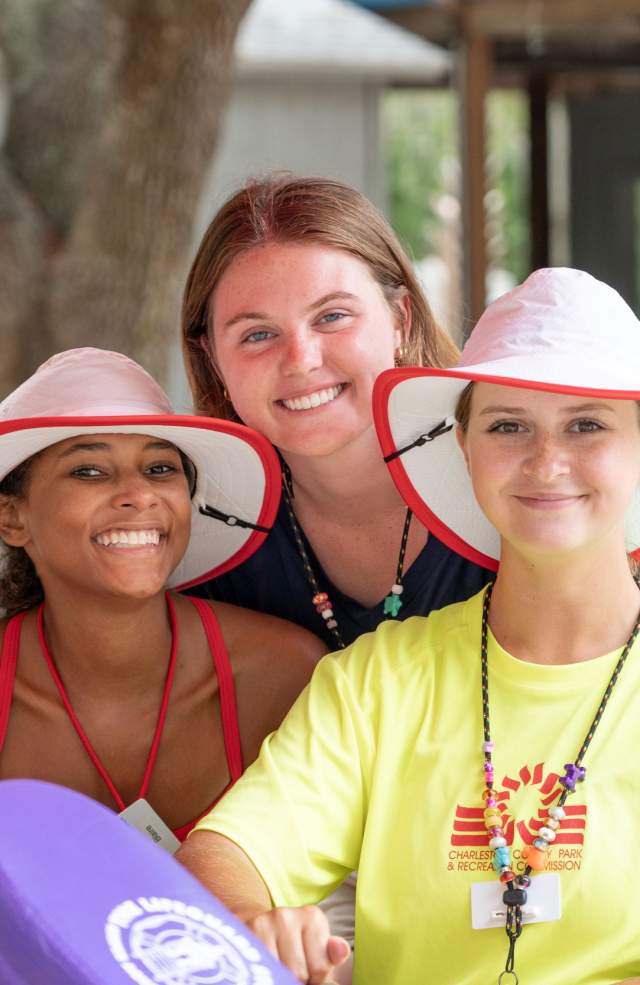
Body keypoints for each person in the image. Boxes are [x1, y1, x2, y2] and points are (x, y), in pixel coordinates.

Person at [176, 268, 640, 985]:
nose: (547, 462)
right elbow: (223, 856)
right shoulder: (377, 679)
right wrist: (253, 927)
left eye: (587, 424)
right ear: (464, 445)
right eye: (508, 425)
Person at [0, 348, 324, 842]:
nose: (139, 493)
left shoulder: (283, 672)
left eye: (159, 469)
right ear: (12, 518)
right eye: (89, 471)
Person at [181, 175, 494, 651]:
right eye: (258, 334)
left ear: (400, 321)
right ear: (212, 360)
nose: (301, 359)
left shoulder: (509, 482)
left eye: (332, 317)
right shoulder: (197, 542)